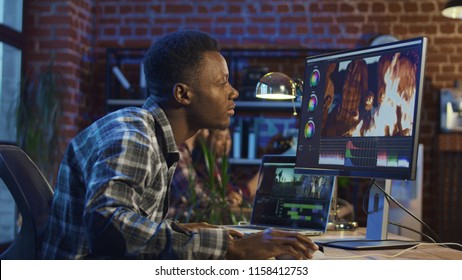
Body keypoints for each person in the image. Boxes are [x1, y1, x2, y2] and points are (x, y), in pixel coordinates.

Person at [41, 30, 319, 260]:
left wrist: (184, 231)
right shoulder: (134, 135)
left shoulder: (156, 137)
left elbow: (127, 224)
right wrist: (229, 247)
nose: (233, 91)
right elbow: (107, 228)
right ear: (182, 94)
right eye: (222, 83)